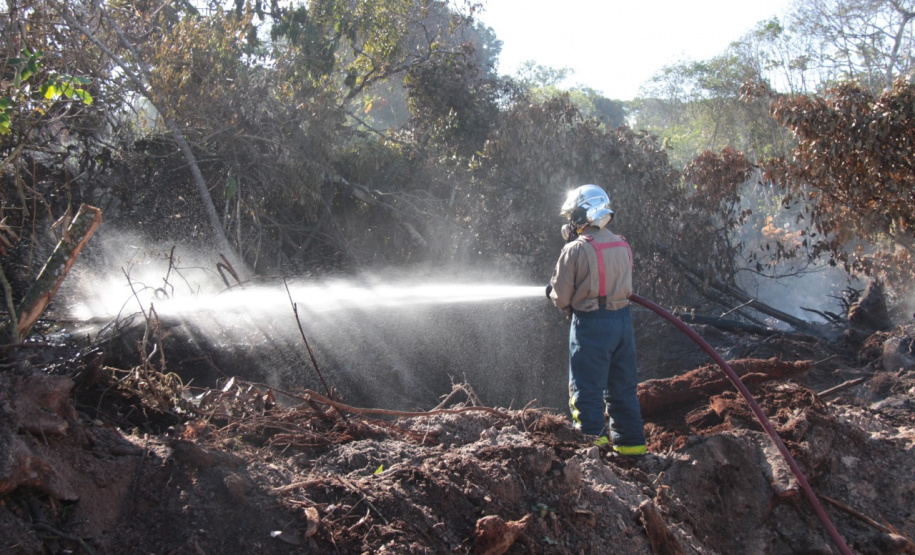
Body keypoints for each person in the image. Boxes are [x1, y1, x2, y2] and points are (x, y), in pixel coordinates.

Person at [547, 184, 647, 455]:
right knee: (623, 391)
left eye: (573, 216)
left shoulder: (575, 249)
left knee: (586, 393)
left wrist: (554, 285)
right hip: (623, 324)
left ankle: (593, 452)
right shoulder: (622, 244)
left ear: (582, 215)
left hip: (591, 326)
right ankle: (633, 450)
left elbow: (561, 298)